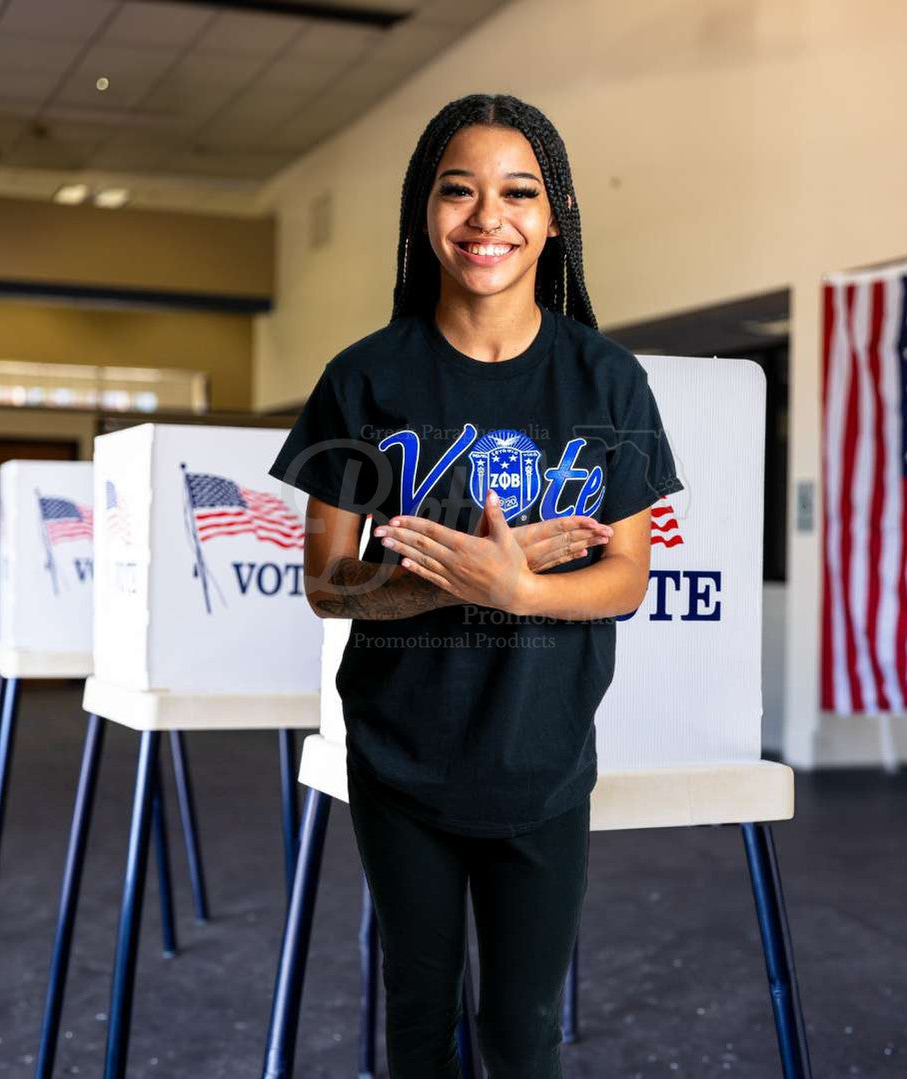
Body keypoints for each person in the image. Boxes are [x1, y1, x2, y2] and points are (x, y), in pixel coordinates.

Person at [268, 93, 683, 1079]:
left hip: (540, 759)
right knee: (418, 1019)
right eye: (457, 191)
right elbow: (325, 581)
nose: (485, 216)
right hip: (399, 755)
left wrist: (519, 589)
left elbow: (625, 576)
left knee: (521, 1028)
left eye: (516, 192)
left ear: (552, 216)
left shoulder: (604, 380)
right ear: (423, 212)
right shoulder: (363, 377)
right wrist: (442, 586)